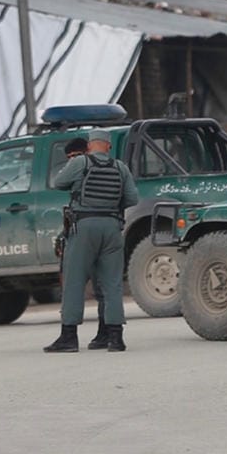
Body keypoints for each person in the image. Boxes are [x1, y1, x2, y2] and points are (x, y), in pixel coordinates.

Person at [45, 129, 138, 353]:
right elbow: (132, 199)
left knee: (74, 281)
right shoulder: (120, 167)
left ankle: (69, 337)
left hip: (84, 226)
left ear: (89, 145)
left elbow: (59, 182)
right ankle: (115, 338)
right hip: (113, 228)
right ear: (108, 146)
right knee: (112, 283)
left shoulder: (81, 163)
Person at [60, 137, 112, 352]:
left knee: (91, 285)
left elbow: (57, 182)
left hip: (88, 234)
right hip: (93, 231)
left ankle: (77, 336)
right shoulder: (107, 170)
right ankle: (106, 332)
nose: (72, 162)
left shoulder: (88, 171)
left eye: (76, 157)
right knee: (102, 285)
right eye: (69, 159)